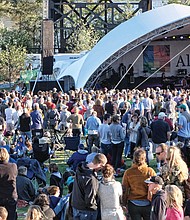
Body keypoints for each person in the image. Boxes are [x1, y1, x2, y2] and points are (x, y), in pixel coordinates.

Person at [122, 149, 156, 220]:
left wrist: (124, 203)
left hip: (133, 203)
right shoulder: (150, 171)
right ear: (145, 158)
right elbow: (155, 188)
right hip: (147, 202)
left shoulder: (128, 172)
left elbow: (124, 189)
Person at [71, 153, 107, 220]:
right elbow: (90, 199)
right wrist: (96, 208)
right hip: (86, 211)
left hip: (76, 206)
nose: (101, 169)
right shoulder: (91, 179)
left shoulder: (80, 169)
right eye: (102, 166)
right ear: (99, 164)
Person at [0, 148, 17, 220]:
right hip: (11, 195)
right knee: (11, 216)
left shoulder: (13, 166)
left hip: (1, 195)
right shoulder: (13, 166)